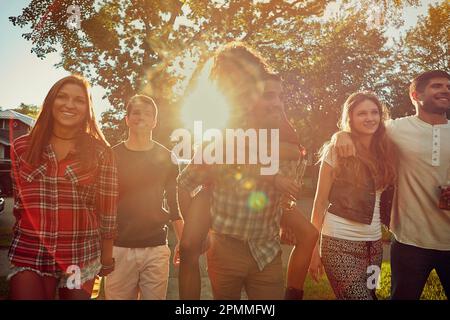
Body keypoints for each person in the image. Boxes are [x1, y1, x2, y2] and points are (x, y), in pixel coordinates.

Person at [177, 43, 317, 300]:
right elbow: (219, 161)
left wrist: (278, 181)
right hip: (219, 204)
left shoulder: (269, 102)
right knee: (188, 248)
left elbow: (294, 151)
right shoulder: (227, 114)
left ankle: (293, 293)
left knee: (308, 234)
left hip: (262, 239)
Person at [333, 70, 450, 299]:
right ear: (415, 94)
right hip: (409, 241)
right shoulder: (396, 129)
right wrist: (341, 136)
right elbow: (361, 128)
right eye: (437, 86)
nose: (445, 90)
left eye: (448, 86)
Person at [8, 75, 118, 300]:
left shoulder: (101, 153)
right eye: (63, 97)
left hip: (79, 258)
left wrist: (107, 257)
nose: (69, 104)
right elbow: (19, 205)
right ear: (51, 102)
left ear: (87, 108)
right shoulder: (22, 147)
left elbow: (108, 209)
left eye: (79, 100)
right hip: (31, 253)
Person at [308, 92, 398, 299]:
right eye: (362, 113)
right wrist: (313, 250)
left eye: (374, 112)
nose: (370, 118)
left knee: (370, 294)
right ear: (350, 118)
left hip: (374, 247)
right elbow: (319, 202)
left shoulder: (385, 150)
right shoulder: (336, 150)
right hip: (338, 243)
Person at [104, 95, 183, 300]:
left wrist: (182, 240)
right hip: (119, 248)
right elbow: (104, 205)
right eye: (136, 112)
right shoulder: (111, 156)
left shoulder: (167, 157)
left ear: (155, 121)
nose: (142, 117)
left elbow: (174, 204)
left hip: (155, 247)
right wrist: (104, 247)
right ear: (127, 119)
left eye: (148, 113)